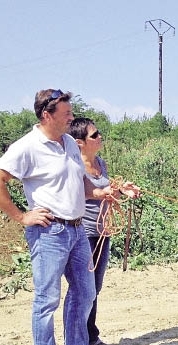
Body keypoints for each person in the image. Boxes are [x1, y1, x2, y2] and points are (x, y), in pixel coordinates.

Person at [0, 89, 140, 345]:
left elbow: (82, 184)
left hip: (77, 233)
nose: (70, 118)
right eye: (66, 114)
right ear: (46, 115)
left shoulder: (69, 145)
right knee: (47, 300)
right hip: (49, 232)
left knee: (86, 293)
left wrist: (105, 191)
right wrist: (21, 216)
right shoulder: (27, 147)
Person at [68, 117, 138, 345]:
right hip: (85, 233)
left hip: (103, 231)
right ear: (80, 142)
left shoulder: (101, 163)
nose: (100, 137)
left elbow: (108, 192)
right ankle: (82, 338)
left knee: (95, 287)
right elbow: (80, 193)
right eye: (94, 135)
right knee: (83, 289)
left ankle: (89, 336)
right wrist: (105, 192)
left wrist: (122, 190)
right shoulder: (74, 166)